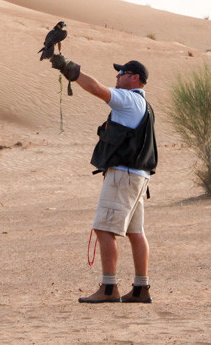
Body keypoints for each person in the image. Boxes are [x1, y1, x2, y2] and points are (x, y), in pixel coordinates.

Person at [49, 55, 158, 303]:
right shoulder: (144, 105)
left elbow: (96, 88)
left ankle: (109, 288)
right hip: (138, 177)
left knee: (103, 228)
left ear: (135, 78)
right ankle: (141, 288)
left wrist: (70, 70)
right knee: (135, 232)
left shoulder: (129, 99)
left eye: (122, 73)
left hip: (124, 175)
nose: (117, 77)